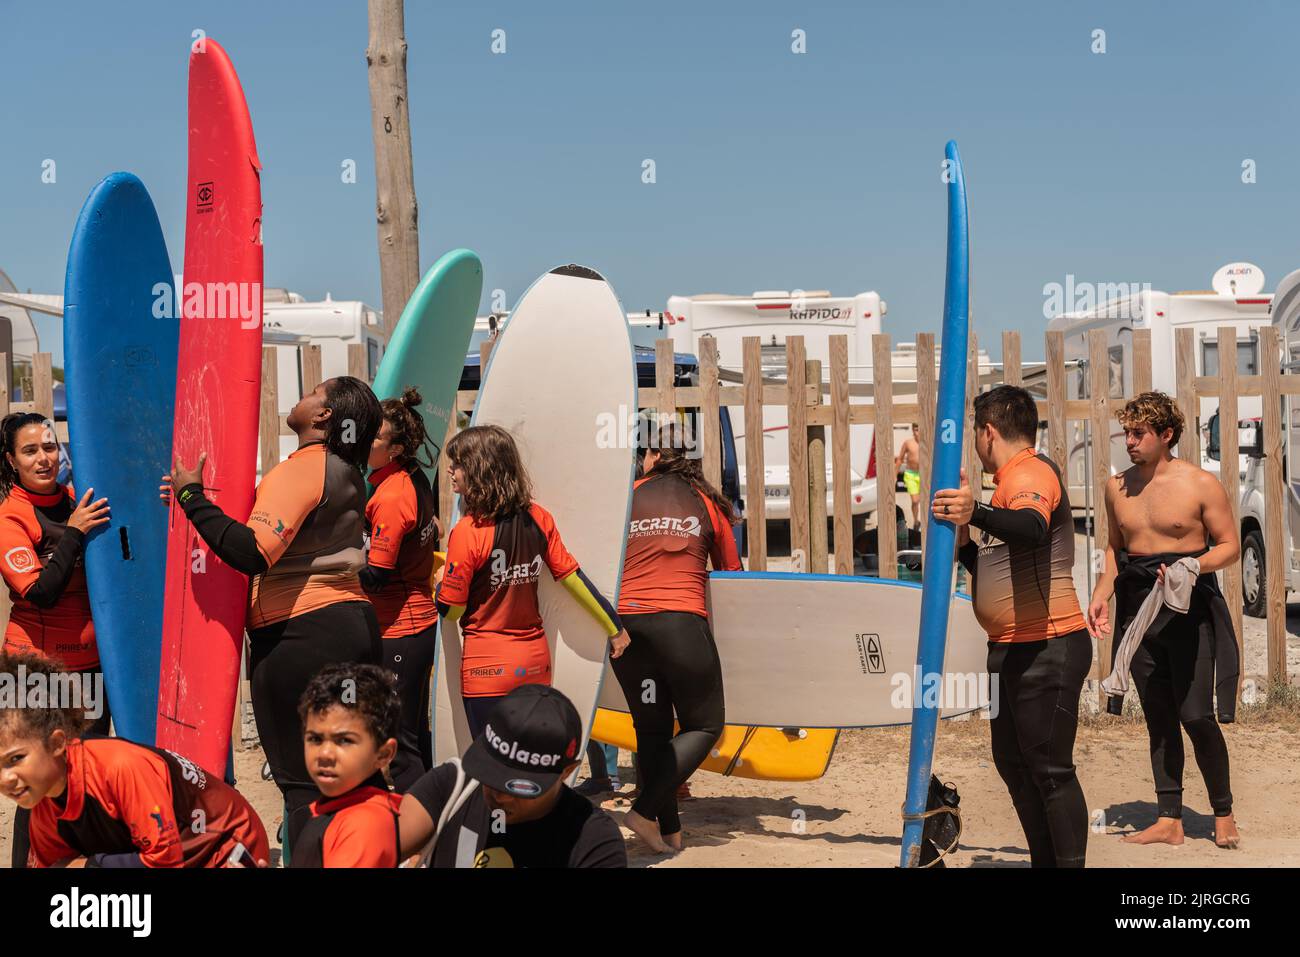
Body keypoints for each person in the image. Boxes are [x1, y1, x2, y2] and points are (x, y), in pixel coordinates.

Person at [162, 376, 383, 854]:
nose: (301, 396)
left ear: (324, 416)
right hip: (351, 624)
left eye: (313, 392)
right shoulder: (346, 470)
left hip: (304, 634)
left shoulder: (306, 467)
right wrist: (202, 507)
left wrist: (192, 498)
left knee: (305, 787)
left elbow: (252, 551)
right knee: (348, 778)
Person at [932, 385, 1091, 868]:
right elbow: (992, 571)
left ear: (987, 431)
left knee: (1049, 770)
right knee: (1015, 764)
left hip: (1050, 645)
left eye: (976, 435)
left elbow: (1032, 527)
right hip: (1011, 647)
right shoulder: (1004, 483)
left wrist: (975, 511)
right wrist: (964, 537)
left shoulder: (1031, 472)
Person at [1086, 391, 1240, 849]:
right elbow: (1115, 547)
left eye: (1139, 434)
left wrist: (1195, 566)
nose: (1129, 442)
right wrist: (1100, 591)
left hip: (1188, 610)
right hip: (1138, 610)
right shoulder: (1117, 487)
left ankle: (1223, 810)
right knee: (1158, 715)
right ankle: (1169, 818)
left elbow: (1230, 544)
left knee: (1195, 715)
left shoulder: (1200, 484)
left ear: (1166, 435)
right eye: (1126, 433)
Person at [435, 424, 629, 739]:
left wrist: (441, 584)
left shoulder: (468, 532)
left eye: (457, 465)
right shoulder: (538, 517)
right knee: (530, 759)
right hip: (534, 664)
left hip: (487, 670)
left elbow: (452, 611)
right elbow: (573, 578)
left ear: (478, 469)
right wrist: (614, 627)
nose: (450, 472)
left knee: (492, 765)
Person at [0, 649, 269, 867]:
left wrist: (90, 865)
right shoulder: (44, 816)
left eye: (16, 759)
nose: (6, 779)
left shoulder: (119, 767)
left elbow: (165, 860)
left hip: (226, 847)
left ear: (57, 743)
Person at [611, 419, 741, 854]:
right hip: (679, 627)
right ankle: (644, 810)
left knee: (651, 730)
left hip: (625, 631)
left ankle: (669, 832)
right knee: (706, 725)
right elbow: (733, 576)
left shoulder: (625, 498)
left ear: (652, 457)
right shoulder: (707, 502)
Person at [0, 412, 111, 868]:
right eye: (30, 451)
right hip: (34, 668)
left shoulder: (76, 500)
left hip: (92, 665)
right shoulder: (11, 514)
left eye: (49, 448)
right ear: (11, 460)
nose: (44, 458)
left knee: (83, 774)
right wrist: (77, 533)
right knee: (37, 782)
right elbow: (41, 593)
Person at [398, 684, 627, 867]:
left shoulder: (594, 840)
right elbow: (380, 845)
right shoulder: (452, 786)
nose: (501, 795)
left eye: (517, 786)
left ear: (566, 772)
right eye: (491, 773)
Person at [362, 387, 442, 792]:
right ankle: (432, 820)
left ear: (394, 449)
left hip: (402, 629)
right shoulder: (413, 475)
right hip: (414, 624)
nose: (365, 442)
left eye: (374, 438)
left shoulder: (392, 495)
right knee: (413, 733)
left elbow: (377, 573)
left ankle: (422, 836)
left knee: (402, 743)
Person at [292, 663, 403, 868]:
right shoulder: (334, 806)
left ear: (384, 754)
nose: (325, 754)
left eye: (344, 741)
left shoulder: (364, 824)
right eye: (315, 739)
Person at [895, 423, 922, 529]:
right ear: (912, 430)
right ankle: (916, 521)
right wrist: (895, 474)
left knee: (926, 501)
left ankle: (924, 521)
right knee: (915, 501)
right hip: (911, 474)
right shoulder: (908, 443)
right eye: (916, 429)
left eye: (920, 429)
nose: (918, 432)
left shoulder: (928, 442)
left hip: (924, 475)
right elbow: (900, 459)